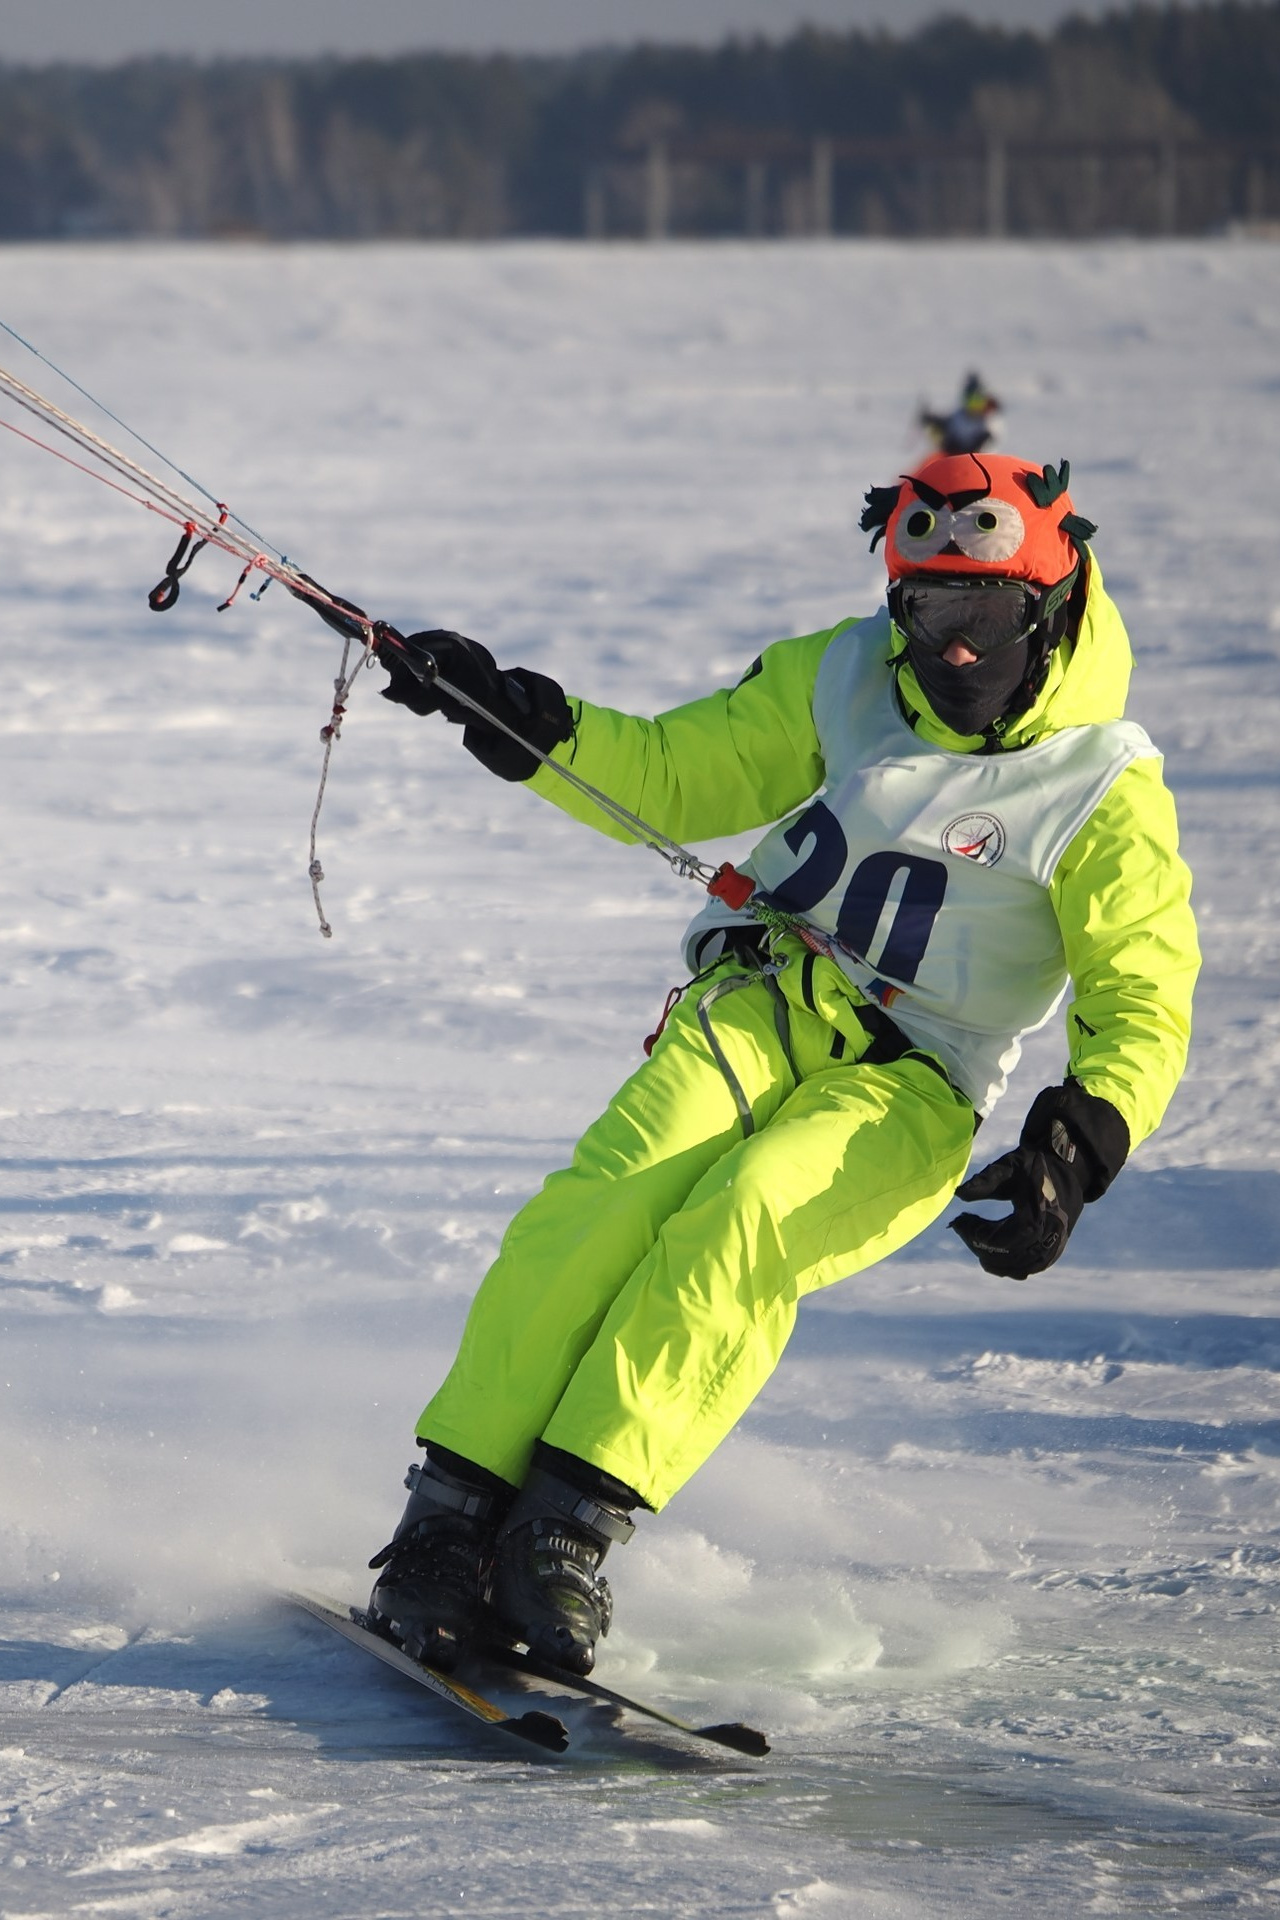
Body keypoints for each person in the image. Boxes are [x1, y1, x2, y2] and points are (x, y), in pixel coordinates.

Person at [362, 450, 1198, 1678]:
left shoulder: (1103, 787)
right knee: (603, 1207)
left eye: (980, 613)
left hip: (914, 1080)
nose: (949, 649)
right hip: (760, 1002)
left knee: (741, 1227)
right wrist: (522, 719)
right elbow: (673, 772)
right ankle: (446, 1524)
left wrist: (1074, 1144)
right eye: (924, 611)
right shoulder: (844, 672)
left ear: (1047, 600)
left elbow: (1142, 993)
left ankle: (561, 1534)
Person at [920, 372, 1002, 456]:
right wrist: (931, 420)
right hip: (956, 462)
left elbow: (990, 443)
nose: (973, 406)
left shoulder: (989, 421)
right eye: (970, 401)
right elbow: (947, 423)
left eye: (977, 401)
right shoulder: (959, 417)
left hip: (981, 463)